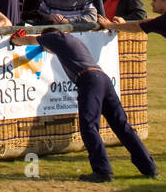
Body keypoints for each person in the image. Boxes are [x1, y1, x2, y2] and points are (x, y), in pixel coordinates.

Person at [9, 26, 158, 183]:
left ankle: (102, 171)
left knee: (89, 126)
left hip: (88, 79)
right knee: (122, 126)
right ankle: (149, 168)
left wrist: (15, 40)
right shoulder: (73, 40)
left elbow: (32, 40)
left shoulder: (54, 37)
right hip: (103, 79)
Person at [99, 0, 166, 40]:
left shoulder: (162, 21)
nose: (152, 4)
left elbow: (136, 27)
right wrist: (124, 23)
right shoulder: (161, 21)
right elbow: (148, 22)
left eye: (154, 1)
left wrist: (110, 25)